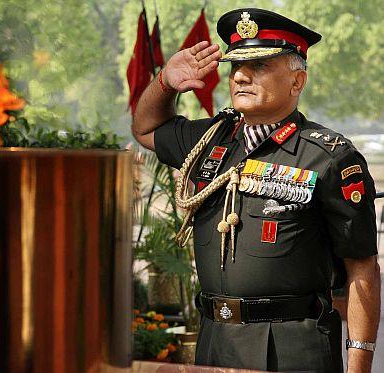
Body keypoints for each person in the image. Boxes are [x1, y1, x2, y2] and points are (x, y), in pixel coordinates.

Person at [132, 8, 380, 372]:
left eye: (260, 66)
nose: (241, 76)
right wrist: (165, 83)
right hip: (215, 340)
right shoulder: (209, 140)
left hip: (291, 346)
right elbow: (144, 128)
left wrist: (359, 365)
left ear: (297, 82)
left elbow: (362, 269)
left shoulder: (329, 158)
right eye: (236, 67)